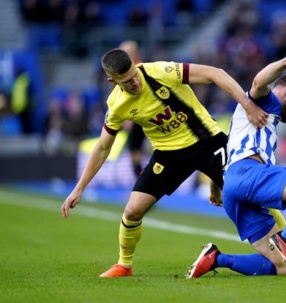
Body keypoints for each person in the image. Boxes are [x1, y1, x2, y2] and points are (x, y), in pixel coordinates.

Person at [60, 48, 268, 278]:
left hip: (207, 141)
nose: (135, 82)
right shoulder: (117, 105)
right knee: (132, 211)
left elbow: (214, 73)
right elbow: (102, 147)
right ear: (112, 80)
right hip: (168, 154)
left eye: (134, 74)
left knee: (251, 193)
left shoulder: (159, 71)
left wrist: (248, 106)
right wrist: (79, 189)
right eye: (127, 82)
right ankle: (124, 265)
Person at [186, 51, 286, 278]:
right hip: (250, 174)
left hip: (234, 188)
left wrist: (217, 187)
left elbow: (223, 155)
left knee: (285, 268)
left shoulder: (248, 121)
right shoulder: (267, 101)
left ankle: (216, 258)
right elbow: (258, 81)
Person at [118, 40, 147, 177]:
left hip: (143, 115)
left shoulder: (139, 70)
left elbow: (138, 95)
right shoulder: (121, 70)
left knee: (137, 150)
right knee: (134, 151)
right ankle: (141, 182)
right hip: (135, 116)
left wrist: (129, 118)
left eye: (127, 52)